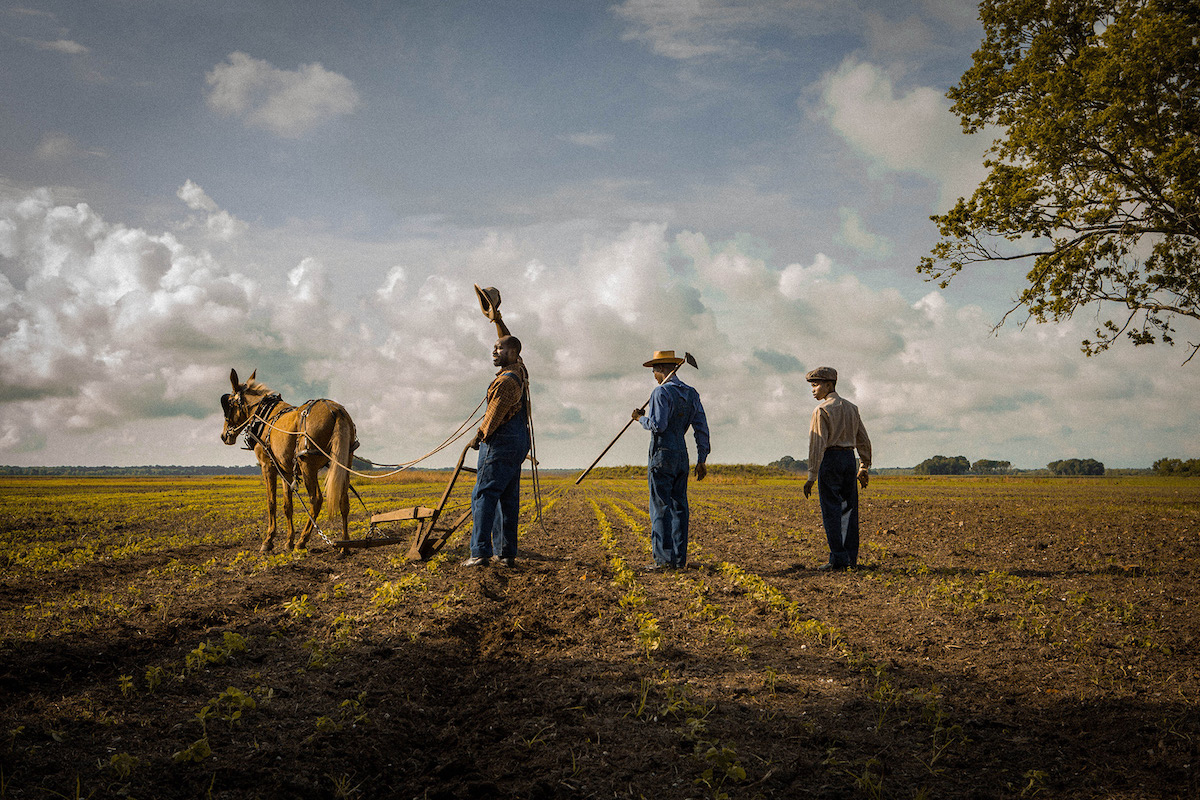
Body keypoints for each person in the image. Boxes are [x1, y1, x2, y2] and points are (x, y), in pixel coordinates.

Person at [632, 350, 710, 570]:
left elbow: (658, 426)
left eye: (655, 371)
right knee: (679, 507)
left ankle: (663, 561)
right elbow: (701, 426)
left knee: (660, 507)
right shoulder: (691, 393)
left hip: (662, 454)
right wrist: (702, 458)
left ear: (663, 369)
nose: (654, 375)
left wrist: (640, 419)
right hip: (682, 456)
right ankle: (678, 559)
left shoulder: (660, 392)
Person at [463, 334, 530, 568]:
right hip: (518, 444)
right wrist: (496, 319)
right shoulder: (521, 374)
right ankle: (506, 553)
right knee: (508, 499)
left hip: (500, 443)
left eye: (499, 348)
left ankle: (480, 552)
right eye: (494, 347)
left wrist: (477, 437)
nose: (494, 351)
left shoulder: (505, 381)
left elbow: (492, 418)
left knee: (483, 495)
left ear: (513, 353)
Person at [802, 366, 872, 571]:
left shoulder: (821, 410)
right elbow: (863, 439)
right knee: (849, 509)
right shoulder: (852, 408)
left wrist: (811, 475)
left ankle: (838, 559)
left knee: (831, 510)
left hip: (830, 459)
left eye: (816, 385)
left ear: (829, 385)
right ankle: (851, 558)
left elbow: (817, 444)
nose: (813, 390)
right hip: (849, 459)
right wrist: (864, 465)